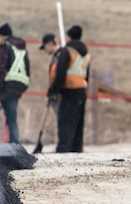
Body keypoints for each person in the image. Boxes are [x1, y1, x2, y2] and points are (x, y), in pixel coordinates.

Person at [47, 25, 90, 153]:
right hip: (81, 89)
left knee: (65, 120)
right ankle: (77, 148)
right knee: (78, 121)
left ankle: (64, 148)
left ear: (69, 37)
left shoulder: (67, 51)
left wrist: (54, 89)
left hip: (69, 89)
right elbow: (87, 73)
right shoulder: (85, 53)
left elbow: (60, 73)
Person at [0, 22, 30, 144]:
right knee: (12, 114)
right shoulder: (21, 48)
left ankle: (10, 142)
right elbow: (27, 67)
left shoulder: (5, 46)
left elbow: (1, 68)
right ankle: (14, 142)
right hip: (20, 85)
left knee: (0, 113)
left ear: (3, 36)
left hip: (7, 85)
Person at [40, 33, 61, 114]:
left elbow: (59, 75)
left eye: (45, 47)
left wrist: (54, 89)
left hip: (61, 93)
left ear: (50, 44)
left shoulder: (61, 56)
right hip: (56, 92)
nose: (45, 50)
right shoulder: (55, 57)